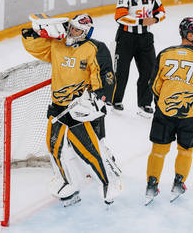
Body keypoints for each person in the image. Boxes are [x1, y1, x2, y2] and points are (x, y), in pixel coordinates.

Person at [21, 13, 121, 206]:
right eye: (72, 27)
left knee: (90, 150)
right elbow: (31, 45)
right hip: (58, 108)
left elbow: (106, 75)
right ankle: (67, 182)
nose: (73, 32)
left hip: (81, 110)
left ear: (86, 32)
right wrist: (36, 29)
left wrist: (97, 99)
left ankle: (109, 182)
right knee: (54, 148)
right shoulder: (57, 45)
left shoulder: (95, 48)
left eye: (79, 30)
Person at [145, 17, 193, 205]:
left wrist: (163, 101)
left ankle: (151, 185)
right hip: (190, 114)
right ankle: (178, 183)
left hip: (164, 111)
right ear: (190, 34)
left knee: (158, 151)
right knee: (185, 151)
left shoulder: (164, 53)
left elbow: (153, 84)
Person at [112, 0, 166, 117]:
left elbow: (162, 11)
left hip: (145, 39)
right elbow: (119, 16)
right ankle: (115, 100)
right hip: (126, 39)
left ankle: (144, 103)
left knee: (149, 72)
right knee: (121, 72)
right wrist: (140, 21)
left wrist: (155, 19)